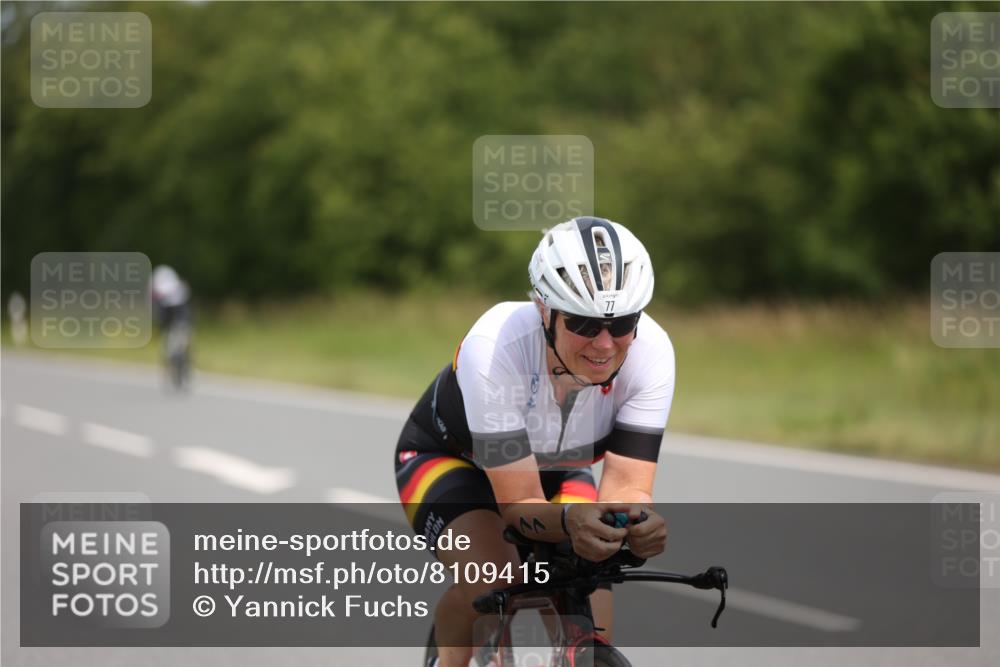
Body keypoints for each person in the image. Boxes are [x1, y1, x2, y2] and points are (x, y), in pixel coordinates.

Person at [394, 217, 674, 667]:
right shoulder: (498, 344)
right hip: (450, 460)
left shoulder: (652, 353)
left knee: (592, 587)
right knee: (495, 580)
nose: (605, 344)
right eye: (583, 323)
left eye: (622, 322)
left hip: (558, 469)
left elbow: (627, 485)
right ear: (545, 311)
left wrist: (636, 520)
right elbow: (520, 501)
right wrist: (573, 523)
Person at [150, 265, 193, 389]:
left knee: (183, 344)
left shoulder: (178, 291)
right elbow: (161, 317)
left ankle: (185, 370)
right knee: (168, 348)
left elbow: (185, 313)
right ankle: (171, 372)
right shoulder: (167, 293)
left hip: (180, 323)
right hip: (172, 325)